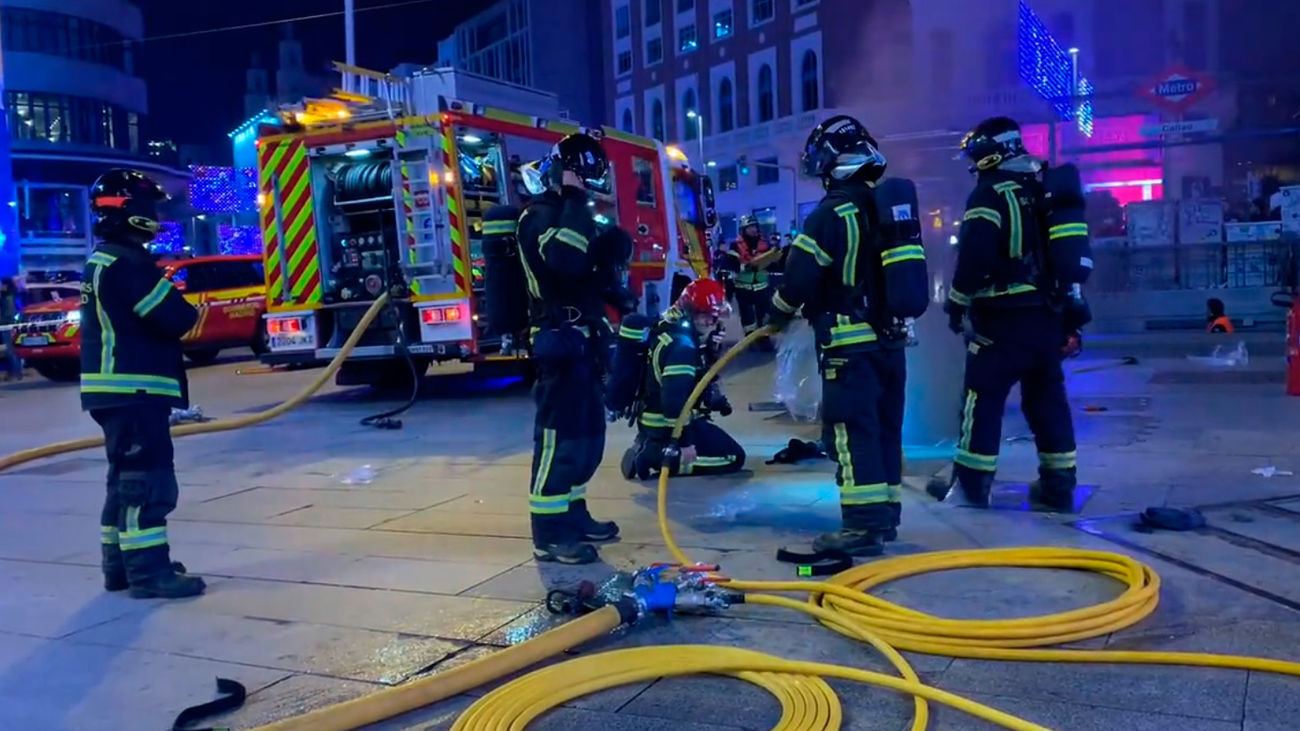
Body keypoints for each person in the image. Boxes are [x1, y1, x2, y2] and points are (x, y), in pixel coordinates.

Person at [766, 115, 911, 556]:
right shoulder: (885, 209)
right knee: (885, 430)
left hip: (849, 347)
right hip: (891, 343)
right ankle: (884, 518)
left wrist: (776, 316)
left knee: (853, 432)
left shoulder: (832, 213)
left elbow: (797, 280)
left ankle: (862, 528)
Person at [80, 169, 206, 598]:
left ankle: (121, 568)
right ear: (129, 212)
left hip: (115, 391)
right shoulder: (128, 264)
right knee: (146, 482)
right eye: (148, 207)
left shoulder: (104, 260)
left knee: (123, 481)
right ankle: (149, 573)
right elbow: (177, 318)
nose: (153, 215)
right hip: (134, 390)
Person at [942, 116, 1078, 512]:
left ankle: (971, 489)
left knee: (981, 402)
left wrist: (956, 303)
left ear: (989, 153)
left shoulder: (988, 194)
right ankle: (1059, 486)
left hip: (1001, 320)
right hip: (1047, 317)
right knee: (1048, 402)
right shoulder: (1043, 189)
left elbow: (974, 257)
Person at [516, 133, 623, 564]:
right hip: (558, 341)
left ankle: (575, 515)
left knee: (587, 439)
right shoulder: (538, 217)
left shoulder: (573, 215)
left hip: (585, 344)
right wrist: (576, 202)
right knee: (559, 442)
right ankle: (549, 532)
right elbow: (562, 259)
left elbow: (587, 272)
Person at [621, 278, 745, 480]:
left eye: (715, 318)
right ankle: (655, 457)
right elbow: (674, 399)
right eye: (707, 317)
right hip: (668, 426)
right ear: (691, 311)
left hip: (652, 420)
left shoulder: (669, 327)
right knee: (733, 457)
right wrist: (684, 443)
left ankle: (648, 443)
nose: (712, 323)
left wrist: (710, 353)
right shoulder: (683, 347)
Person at [719, 214, 777, 338]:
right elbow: (731, 264)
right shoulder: (735, 246)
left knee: (764, 316)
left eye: (754, 227)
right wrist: (747, 267)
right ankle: (750, 339)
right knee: (748, 319)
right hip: (743, 288)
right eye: (749, 227)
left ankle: (764, 338)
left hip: (762, 288)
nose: (753, 230)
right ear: (743, 230)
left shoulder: (765, 244)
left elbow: (773, 263)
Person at [1, 277, 22, 381]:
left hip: (6, 324)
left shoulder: (6, 297)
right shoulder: (12, 295)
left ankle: (16, 373)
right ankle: (16, 372)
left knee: (11, 350)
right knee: (12, 349)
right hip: (11, 324)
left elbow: (8, 313)